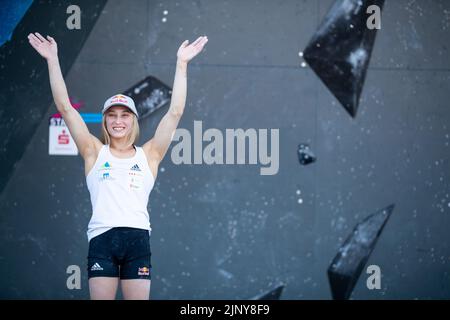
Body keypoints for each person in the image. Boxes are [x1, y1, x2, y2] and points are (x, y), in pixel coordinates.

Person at [28, 32, 208, 299]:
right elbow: (65, 108)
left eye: (124, 115)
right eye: (112, 115)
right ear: (105, 121)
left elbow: (175, 112)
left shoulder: (150, 154)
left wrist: (182, 64)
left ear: (133, 120)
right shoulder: (93, 152)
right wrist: (52, 60)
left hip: (137, 242)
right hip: (102, 240)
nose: (118, 121)